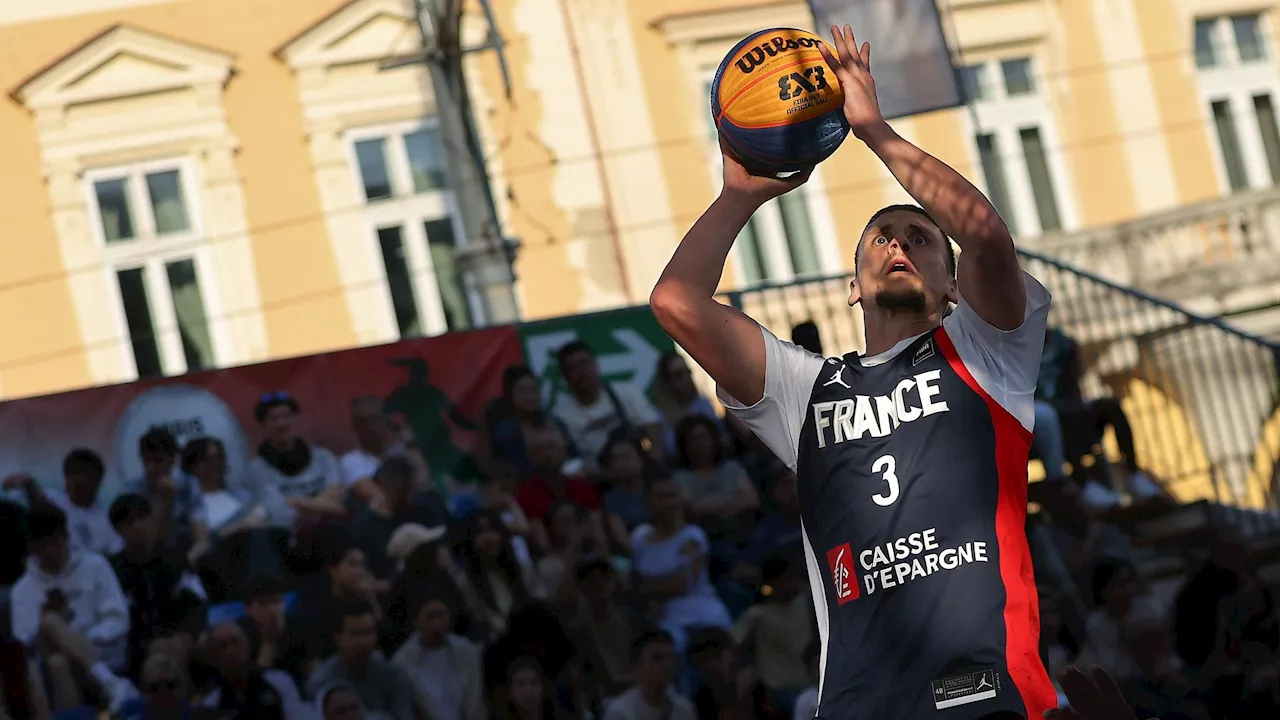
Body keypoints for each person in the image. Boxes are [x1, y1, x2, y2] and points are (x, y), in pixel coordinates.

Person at [649, 24, 1055, 720]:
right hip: (862, 704)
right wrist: (741, 193)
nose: (898, 242)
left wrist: (876, 133)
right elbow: (675, 302)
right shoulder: (803, 393)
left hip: (985, 693)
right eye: (881, 238)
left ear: (954, 288)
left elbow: (986, 235)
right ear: (852, 286)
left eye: (920, 238)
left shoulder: (988, 354)